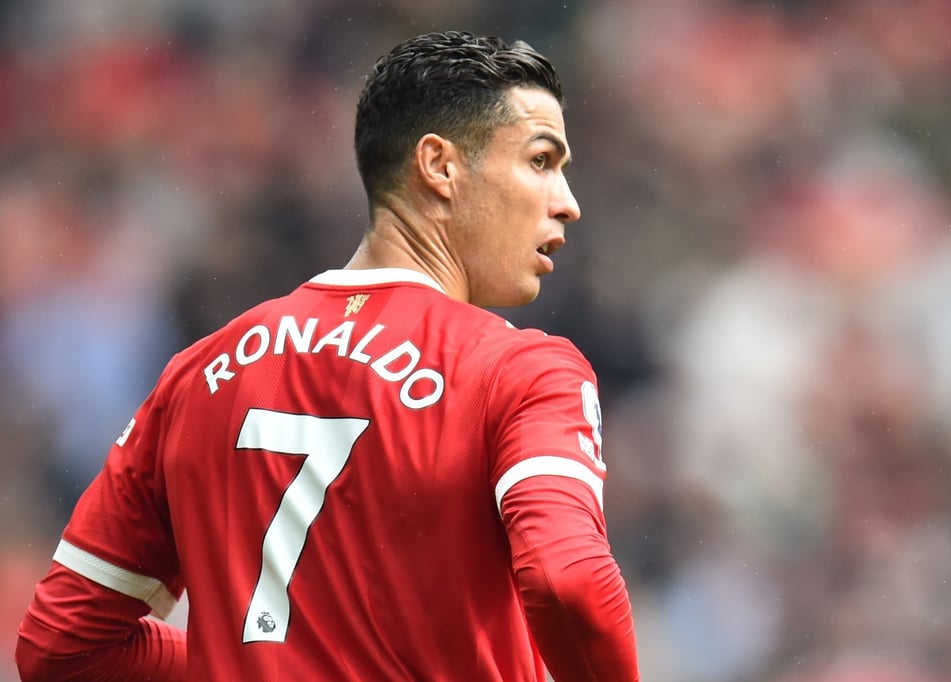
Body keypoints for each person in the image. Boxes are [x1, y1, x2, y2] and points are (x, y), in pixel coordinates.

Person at [16, 30, 640, 681]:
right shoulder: (521, 373)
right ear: (440, 166)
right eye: (541, 161)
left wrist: (240, 664)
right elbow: (566, 581)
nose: (567, 203)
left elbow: (61, 646)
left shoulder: (198, 375)